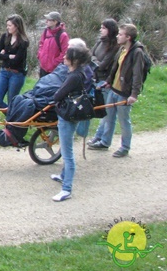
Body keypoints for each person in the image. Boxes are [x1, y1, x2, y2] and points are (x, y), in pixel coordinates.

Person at [87, 24, 146, 157]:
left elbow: (138, 75)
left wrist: (134, 94)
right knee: (109, 118)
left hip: (124, 93)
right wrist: (108, 82)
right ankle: (105, 142)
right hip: (114, 89)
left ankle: (125, 147)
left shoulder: (137, 53)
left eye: (120, 34)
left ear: (128, 37)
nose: (118, 36)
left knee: (124, 121)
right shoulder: (122, 49)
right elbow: (115, 68)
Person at [49, 45, 92, 202]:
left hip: (67, 118)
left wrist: (55, 96)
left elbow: (59, 94)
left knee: (67, 154)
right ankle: (62, 175)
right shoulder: (77, 73)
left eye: (67, 56)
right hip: (68, 115)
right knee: (66, 148)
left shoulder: (74, 76)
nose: (64, 57)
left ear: (74, 60)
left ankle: (67, 188)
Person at [86, 19, 120, 147]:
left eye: (104, 28)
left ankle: (105, 141)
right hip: (95, 80)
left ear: (110, 30)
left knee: (108, 114)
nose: (101, 30)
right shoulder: (100, 41)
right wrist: (95, 60)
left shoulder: (115, 46)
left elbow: (102, 65)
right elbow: (90, 56)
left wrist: (94, 61)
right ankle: (98, 137)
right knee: (101, 111)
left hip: (105, 82)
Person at [0, 14, 29, 109]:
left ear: (16, 26)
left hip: (16, 74)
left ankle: (12, 121)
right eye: (7, 25)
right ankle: (13, 117)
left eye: (9, 25)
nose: (7, 27)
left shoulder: (23, 41)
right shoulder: (4, 37)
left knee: (12, 102)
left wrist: (4, 55)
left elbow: (17, 60)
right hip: (4, 71)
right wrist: (9, 56)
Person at [37, 11, 69, 78]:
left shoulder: (63, 35)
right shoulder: (46, 31)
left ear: (55, 22)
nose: (46, 22)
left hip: (55, 70)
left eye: (49, 20)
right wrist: (40, 55)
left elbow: (65, 53)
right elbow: (41, 44)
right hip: (43, 68)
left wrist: (54, 63)